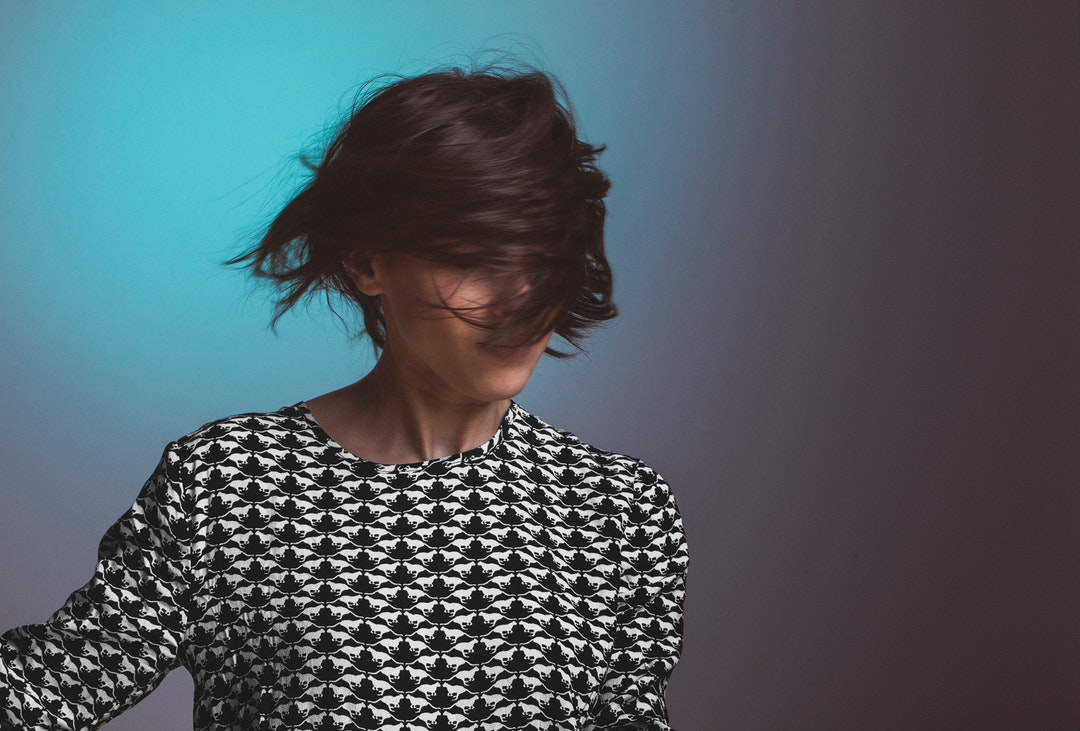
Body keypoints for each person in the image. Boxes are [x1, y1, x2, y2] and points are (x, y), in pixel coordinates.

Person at [0, 64, 688, 731]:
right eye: (472, 257)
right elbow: (46, 687)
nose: (521, 297)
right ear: (366, 261)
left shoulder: (618, 508)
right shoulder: (227, 482)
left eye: (541, 256)